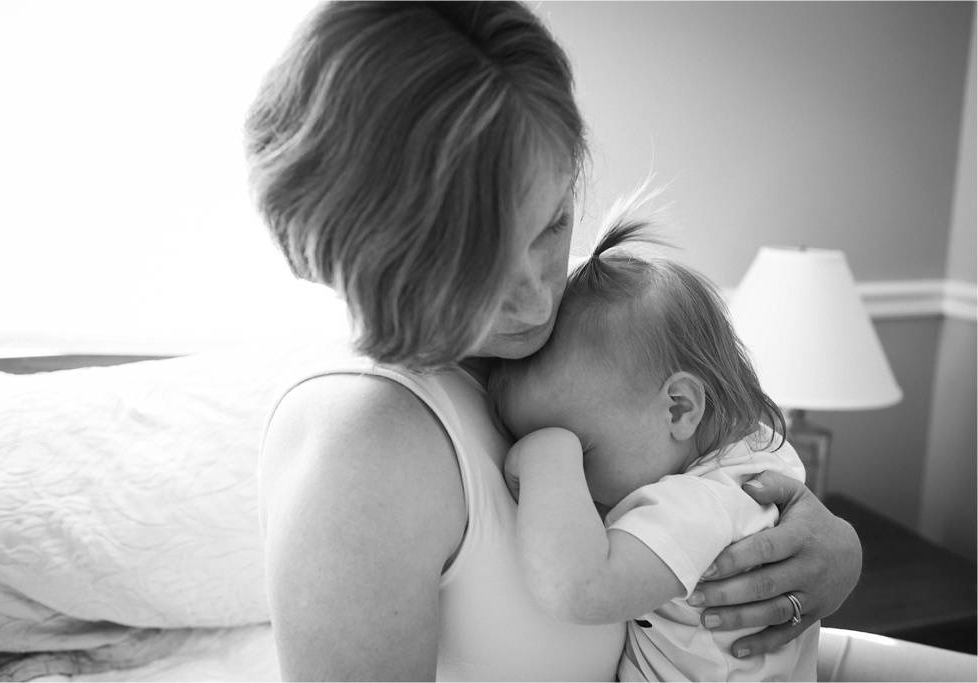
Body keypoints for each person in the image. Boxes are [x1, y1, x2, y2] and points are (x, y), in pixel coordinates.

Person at [244, 2, 861, 679]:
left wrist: (832, 552)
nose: (539, 296)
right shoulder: (361, 439)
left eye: (553, 223)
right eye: (475, 263)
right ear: (371, 254)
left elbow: (726, 458)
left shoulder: (597, 320)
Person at [489, 193, 820, 681]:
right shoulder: (746, 454)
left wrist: (544, 457)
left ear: (679, 407)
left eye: (579, 450)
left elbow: (578, 590)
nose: (571, 482)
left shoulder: (702, 505)